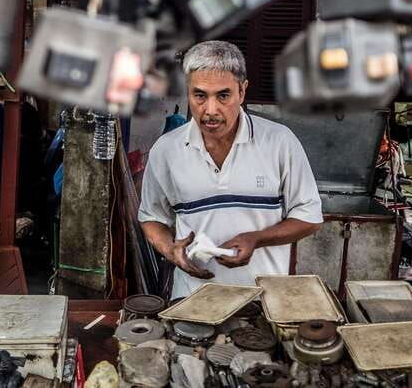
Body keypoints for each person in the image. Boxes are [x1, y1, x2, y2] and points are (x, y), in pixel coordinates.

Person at [138, 40, 323, 299]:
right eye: (200, 96)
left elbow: (310, 217)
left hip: (263, 299)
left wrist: (256, 238)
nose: (210, 110)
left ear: (242, 91)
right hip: (192, 299)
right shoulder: (166, 150)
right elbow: (152, 218)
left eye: (223, 96)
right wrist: (171, 250)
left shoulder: (279, 142)